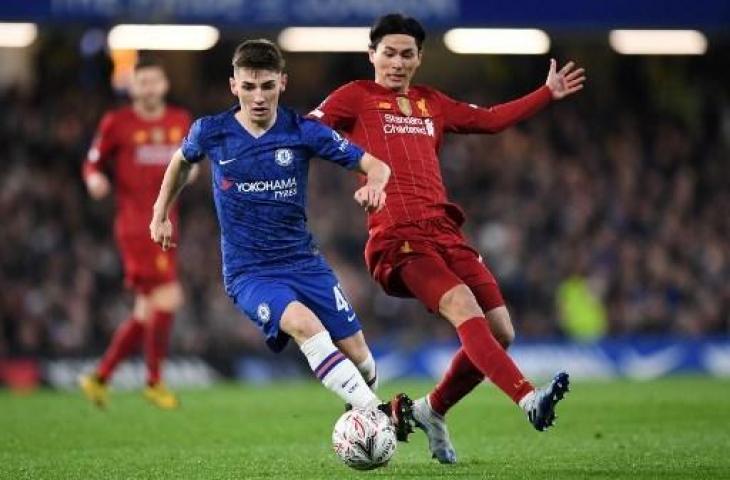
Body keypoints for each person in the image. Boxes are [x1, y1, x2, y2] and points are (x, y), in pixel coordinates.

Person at [310, 13, 586, 463]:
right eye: (389, 53)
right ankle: (526, 398)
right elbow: (309, 130)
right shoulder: (355, 97)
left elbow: (492, 120)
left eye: (407, 55)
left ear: (419, 59)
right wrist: (360, 172)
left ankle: (431, 410)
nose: (397, 62)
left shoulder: (430, 102)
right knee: (461, 305)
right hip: (396, 237)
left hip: (445, 233)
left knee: (501, 331)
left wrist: (546, 93)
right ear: (372, 54)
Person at [149, 39, 414, 439]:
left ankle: (363, 421)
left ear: (283, 83)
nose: (259, 97)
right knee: (305, 326)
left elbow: (375, 165)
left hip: (304, 263)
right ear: (233, 86)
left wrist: (375, 185)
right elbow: (181, 162)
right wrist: (160, 213)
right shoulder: (211, 131)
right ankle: (380, 416)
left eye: (268, 86)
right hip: (250, 273)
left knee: (360, 359)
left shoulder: (303, 131)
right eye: (250, 86)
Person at [79, 55, 193, 409]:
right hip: (136, 224)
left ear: (164, 85)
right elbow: (92, 161)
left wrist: (195, 171)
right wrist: (94, 178)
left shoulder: (180, 121)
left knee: (147, 309)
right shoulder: (117, 122)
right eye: (141, 82)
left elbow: (192, 160)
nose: (148, 88)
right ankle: (154, 380)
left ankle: (100, 378)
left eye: (154, 82)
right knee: (169, 298)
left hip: (168, 221)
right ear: (132, 86)